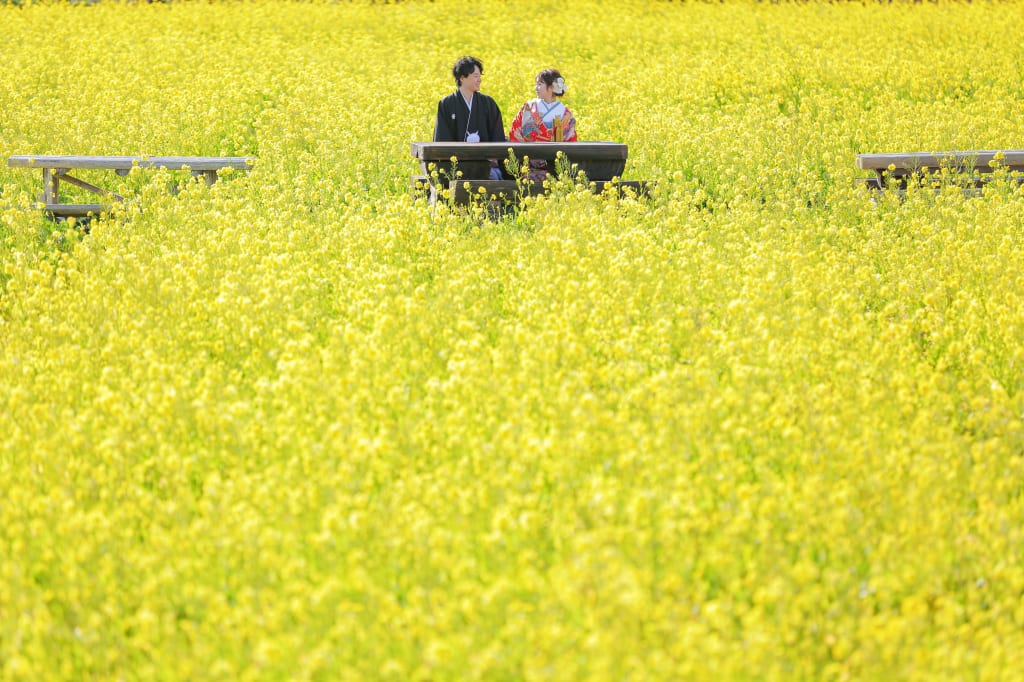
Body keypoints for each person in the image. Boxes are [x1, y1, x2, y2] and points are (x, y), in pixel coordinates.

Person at [434, 56, 506, 180]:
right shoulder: (447, 104)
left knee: (494, 177)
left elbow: (497, 135)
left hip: (486, 166)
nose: (479, 80)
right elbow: (442, 138)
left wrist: (492, 157)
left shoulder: (488, 103)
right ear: (462, 78)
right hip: (456, 167)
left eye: (480, 76)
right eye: (475, 76)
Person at [508, 68, 578, 180]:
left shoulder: (565, 113)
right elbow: (516, 132)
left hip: (556, 169)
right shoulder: (529, 107)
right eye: (536, 84)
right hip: (528, 166)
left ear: (551, 87)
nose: (536, 88)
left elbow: (570, 141)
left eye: (540, 84)